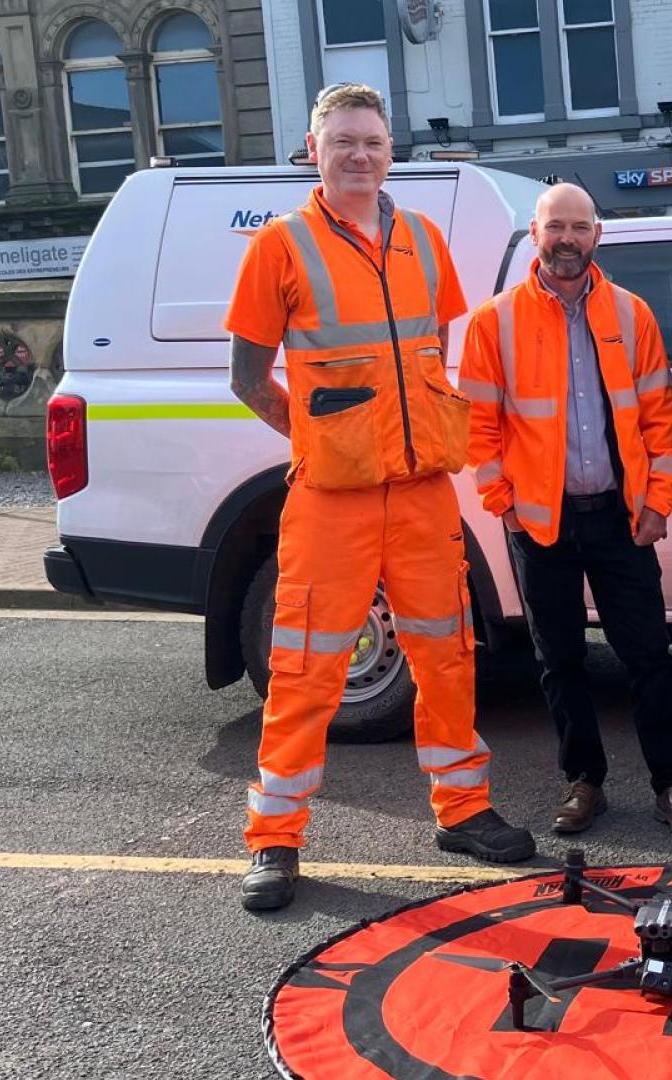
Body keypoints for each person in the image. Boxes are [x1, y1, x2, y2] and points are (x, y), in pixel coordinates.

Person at [228, 83, 533, 913]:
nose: (359, 155)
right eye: (343, 143)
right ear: (313, 149)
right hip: (332, 499)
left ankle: (463, 810)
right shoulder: (280, 247)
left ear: (390, 150)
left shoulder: (424, 241)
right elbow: (247, 379)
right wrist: (319, 440)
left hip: (426, 492)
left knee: (448, 656)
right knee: (304, 671)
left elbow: (431, 353)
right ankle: (275, 839)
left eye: (372, 141)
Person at [464, 184, 672, 839]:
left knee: (649, 655)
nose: (567, 239)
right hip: (539, 522)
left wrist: (659, 501)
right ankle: (584, 782)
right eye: (555, 227)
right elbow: (477, 426)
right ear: (536, 236)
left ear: (596, 235)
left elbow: (662, 420)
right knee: (560, 659)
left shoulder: (631, 315)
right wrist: (504, 506)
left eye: (579, 227)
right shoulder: (497, 321)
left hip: (621, 518)